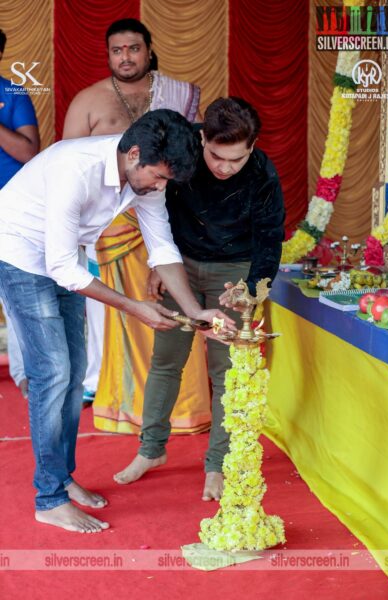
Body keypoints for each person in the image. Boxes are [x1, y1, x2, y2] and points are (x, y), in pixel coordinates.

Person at [0, 109, 233, 533]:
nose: (160, 187)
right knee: (52, 373)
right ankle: (48, 498)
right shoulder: (77, 169)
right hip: (18, 254)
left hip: (64, 257)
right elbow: (65, 271)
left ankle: (63, 479)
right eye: (159, 177)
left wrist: (194, 309)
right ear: (135, 154)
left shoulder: (144, 176)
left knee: (71, 378)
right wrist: (135, 307)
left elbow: (161, 246)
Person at [114, 97, 286, 501]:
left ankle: (218, 465)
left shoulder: (262, 171)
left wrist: (252, 290)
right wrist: (159, 265)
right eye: (216, 156)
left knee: (225, 371)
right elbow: (157, 207)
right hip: (182, 267)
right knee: (165, 360)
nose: (225, 167)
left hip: (234, 272)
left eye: (236, 159)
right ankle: (150, 450)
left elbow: (270, 236)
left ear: (253, 146)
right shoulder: (183, 150)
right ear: (202, 137)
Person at [63, 19, 210, 431]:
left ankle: (177, 403)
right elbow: (73, 169)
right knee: (106, 315)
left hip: (162, 210)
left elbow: (186, 161)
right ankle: (110, 393)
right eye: (117, 50)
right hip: (106, 227)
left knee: (170, 301)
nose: (125, 57)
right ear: (108, 55)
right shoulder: (88, 101)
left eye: (133, 48)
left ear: (148, 50)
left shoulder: (177, 94)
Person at [0, 28, 40, 398]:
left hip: (9, 207)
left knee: (14, 294)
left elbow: (30, 152)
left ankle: (26, 374)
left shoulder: (12, 93)